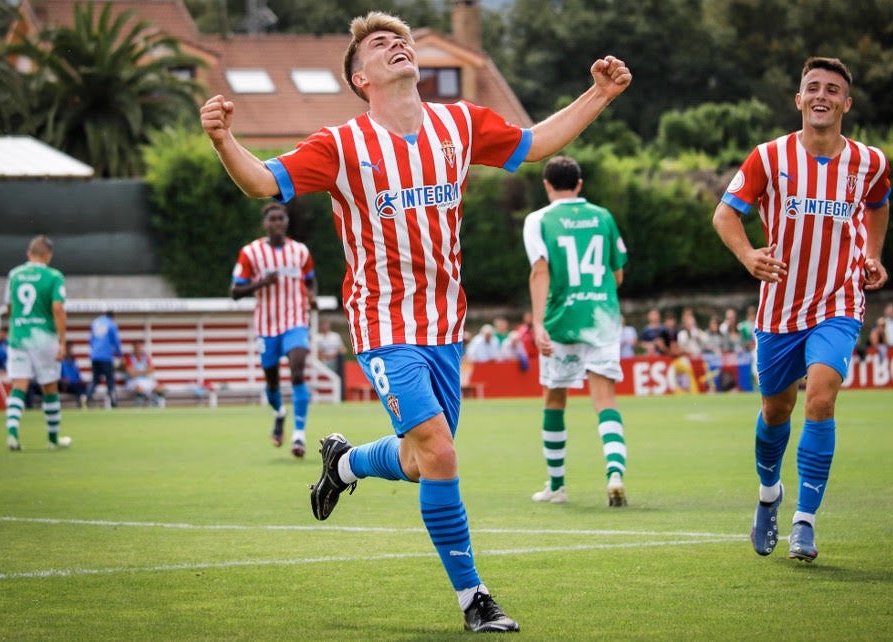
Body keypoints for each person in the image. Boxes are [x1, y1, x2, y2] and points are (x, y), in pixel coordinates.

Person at [200, 10, 630, 633]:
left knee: (418, 460)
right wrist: (223, 141)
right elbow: (262, 181)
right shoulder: (341, 145)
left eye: (400, 38)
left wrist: (600, 93)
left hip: (444, 327)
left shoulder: (459, 122)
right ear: (360, 78)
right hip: (382, 324)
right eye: (380, 44)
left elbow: (537, 143)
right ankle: (474, 598)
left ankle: (344, 464)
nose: (397, 46)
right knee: (441, 451)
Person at [712, 57, 891, 562]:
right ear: (798, 100)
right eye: (812, 87)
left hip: (839, 301)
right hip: (780, 309)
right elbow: (725, 214)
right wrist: (748, 254)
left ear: (846, 104)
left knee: (820, 398)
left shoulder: (870, 162)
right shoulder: (768, 158)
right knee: (776, 410)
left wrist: (872, 256)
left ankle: (805, 522)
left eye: (832, 90)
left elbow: (879, 203)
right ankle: (770, 494)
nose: (822, 96)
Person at [523, 155, 630, 507]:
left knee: (555, 399)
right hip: (601, 318)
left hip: (560, 320)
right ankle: (614, 471)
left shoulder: (538, 220)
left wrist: (537, 323)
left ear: (547, 185)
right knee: (605, 401)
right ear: (580, 184)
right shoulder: (603, 217)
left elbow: (540, 272)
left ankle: (557, 485)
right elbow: (617, 275)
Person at [231, 202, 318, 458]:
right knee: (272, 382)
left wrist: (311, 296)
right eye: (272, 219)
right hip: (266, 327)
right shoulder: (251, 253)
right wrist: (261, 283)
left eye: (281, 219)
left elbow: (310, 280)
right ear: (265, 224)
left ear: (286, 222)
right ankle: (279, 413)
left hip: (295, 322)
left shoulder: (300, 252)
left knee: (298, 372)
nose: (277, 223)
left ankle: (299, 435)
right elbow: (235, 292)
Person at [1, 235, 72, 451]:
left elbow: (9, 306)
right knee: (50, 387)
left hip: (19, 336)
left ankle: (12, 434)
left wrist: (19, 323)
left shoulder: (15, 274)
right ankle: (52, 439)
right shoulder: (54, 276)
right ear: (48, 255)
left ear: (28, 253)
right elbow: (58, 309)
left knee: (18, 386)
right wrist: (62, 341)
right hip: (44, 338)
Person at [87, 309, 122, 407]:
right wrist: (120, 354)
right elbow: (116, 341)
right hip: (106, 357)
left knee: (95, 380)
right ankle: (114, 402)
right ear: (112, 316)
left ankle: (87, 398)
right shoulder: (111, 324)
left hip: (94, 356)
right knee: (110, 380)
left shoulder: (95, 323)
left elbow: (90, 341)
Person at [125, 342, 165, 407]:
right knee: (139, 388)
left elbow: (152, 369)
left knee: (159, 388)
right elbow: (131, 373)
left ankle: (157, 403)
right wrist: (145, 371)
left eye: (140, 347)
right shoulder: (129, 358)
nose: (138, 349)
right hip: (133, 381)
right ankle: (139, 404)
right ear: (134, 348)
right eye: (137, 348)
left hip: (146, 380)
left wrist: (137, 372)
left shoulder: (145, 358)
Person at [59, 343, 89, 407]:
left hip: (74, 383)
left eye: (71, 349)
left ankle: (84, 403)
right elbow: (58, 375)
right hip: (65, 385)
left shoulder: (74, 361)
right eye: (69, 349)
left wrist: (81, 380)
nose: (70, 350)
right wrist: (62, 380)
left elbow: (77, 374)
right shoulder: (61, 360)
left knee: (84, 387)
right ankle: (81, 404)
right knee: (79, 388)